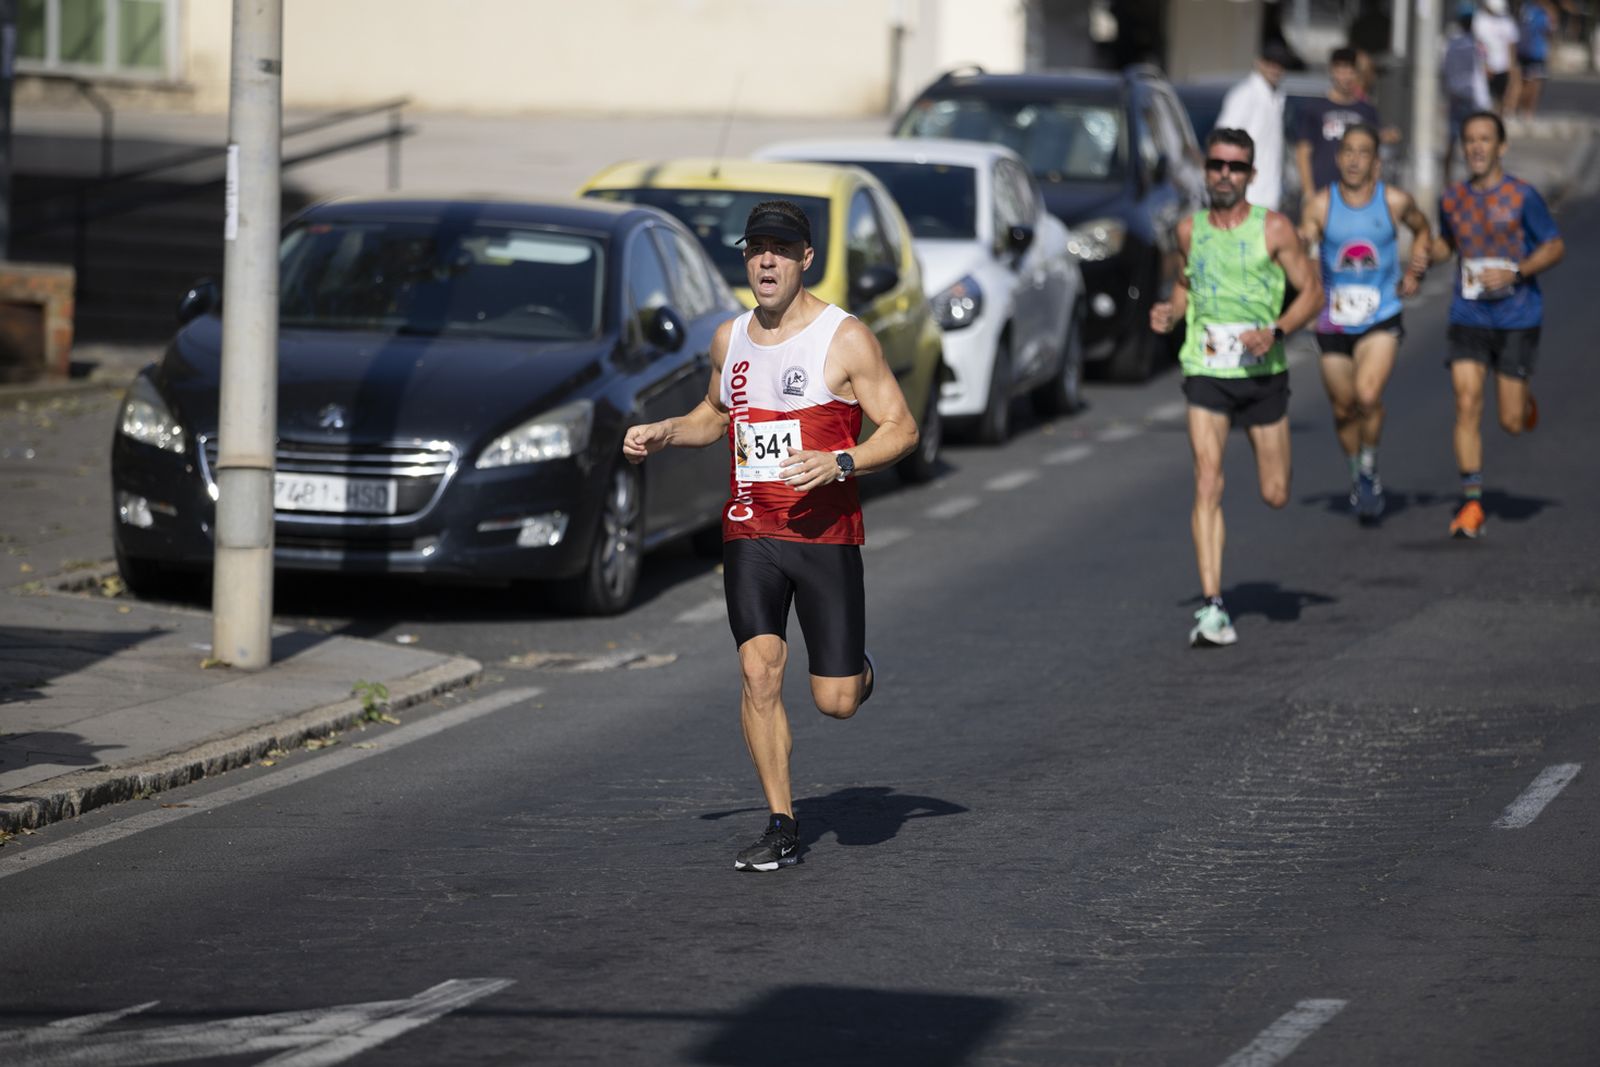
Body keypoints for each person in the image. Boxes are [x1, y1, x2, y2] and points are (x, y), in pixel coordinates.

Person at [621, 200, 918, 870]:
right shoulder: (730, 339)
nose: (765, 260)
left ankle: (859, 671)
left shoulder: (845, 338)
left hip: (825, 534)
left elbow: (902, 428)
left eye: (780, 249)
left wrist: (841, 459)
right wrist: (668, 430)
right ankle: (783, 822)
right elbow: (713, 413)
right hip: (751, 528)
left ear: (804, 259)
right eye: (756, 248)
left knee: (834, 700)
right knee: (758, 671)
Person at [1149, 129, 1323, 647]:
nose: (1225, 174)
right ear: (1206, 170)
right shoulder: (1188, 230)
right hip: (1205, 372)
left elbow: (1312, 294)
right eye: (1217, 164)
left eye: (1235, 167)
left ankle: (1216, 602)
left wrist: (1276, 332)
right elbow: (1187, 282)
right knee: (1207, 480)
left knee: (1275, 493)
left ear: (1251, 175)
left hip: (1263, 374)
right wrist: (1171, 311)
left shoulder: (1274, 230)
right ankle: (1213, 606)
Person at [1428, 111, 1564, 539]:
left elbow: (1554, 245)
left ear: (1501, 147)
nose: (1477, 147)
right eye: (1470, 139)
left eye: (1485, 139)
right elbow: (1448, 242)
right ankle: (1471, 503)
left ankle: (1524, 403)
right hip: (1468, 314)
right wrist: (1427, 253)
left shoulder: (1523, 196)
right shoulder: (1451, 199)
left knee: (1509, 421)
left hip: (1517, 315)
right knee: (1466, 403)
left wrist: (1517, 272)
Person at [1299, 124, 1434, 522]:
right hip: (1334, 322)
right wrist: (1303, 245)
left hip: (1381, 313)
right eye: (1348, 152)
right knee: (1343, 409)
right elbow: (1305, 240)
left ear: (1376, 161)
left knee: (1368, 396)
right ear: (1339, 158)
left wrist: (1416, 269)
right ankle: (1357, 474)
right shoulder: (1321, 206)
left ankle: (1370, 470)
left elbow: (1422, 229)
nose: (1355, 160)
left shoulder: (1393, 200)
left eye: (1364, 153)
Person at [1216, 40, 1295, 212]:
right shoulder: (1245, 94)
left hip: (1268, 195)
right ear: (1258, 62)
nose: (1275, 69)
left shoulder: (1276, 96)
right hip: (1246, 195)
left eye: (1280, 65)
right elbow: (1223, 141)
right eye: (1270, 63)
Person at [1295, 47, 1382, 197]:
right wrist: (1308, 191)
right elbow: (1303, 152)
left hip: (1358, 193)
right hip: (1322, 191)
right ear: (1332, 71)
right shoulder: (1314, 107)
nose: (1346, 77)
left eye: (1351, 71)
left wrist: (1373, 188)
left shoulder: (1367, 111)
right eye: (1341, 70)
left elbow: (1375, 155)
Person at [1443, 4, 1493, 181]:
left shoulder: (1452, 44)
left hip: (1455, 97)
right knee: (1473, 142)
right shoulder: (1476, 45)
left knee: (1452, 141)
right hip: (1473, 100)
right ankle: (1474, 179)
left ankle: (1446, 182)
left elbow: (1445, 69)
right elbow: (1487, 69)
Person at [1472, 0, 1522, 114]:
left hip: (1503, 66)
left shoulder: (1507, 21)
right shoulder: (1480, 20)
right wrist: (1484, 64)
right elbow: (1479, 45)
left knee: (1503, 96)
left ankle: (1499, 120)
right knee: (1485, 100)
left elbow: (1511, 44)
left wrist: (1512, 64)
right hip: (1487, 67)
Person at [1515, 0, 1558, 116]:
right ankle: (1526, 111)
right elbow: (1550, 30)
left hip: (1529, 51)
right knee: (1532, 84)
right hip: (1533, 52)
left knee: (1531, 83)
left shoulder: (1528, 8)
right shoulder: (1535, 10)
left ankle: (1526, 111)